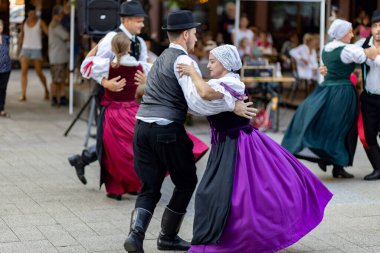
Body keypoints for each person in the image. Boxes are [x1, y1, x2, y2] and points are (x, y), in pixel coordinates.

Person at [176, 44, 333, 253]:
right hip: (225, 144)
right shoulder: (220, 82)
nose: (209, 65)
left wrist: (194, 72)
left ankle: (244, 238)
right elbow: (199, 100)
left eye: (213, 61)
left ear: (225, 64)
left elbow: (204, 93)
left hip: (239, 145)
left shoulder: (231, 83)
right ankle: (227, 238)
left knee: (243, 195)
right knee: (224, 194)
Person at [123, 10, 256, 253]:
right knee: (186, 181)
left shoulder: (162, 57)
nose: (195, 38)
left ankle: (136, 235)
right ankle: (168, 237)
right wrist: (231, 104)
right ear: (185, 34)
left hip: (141, 128)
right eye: (194, 34)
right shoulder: (184, 61)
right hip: (166, 129)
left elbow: (143, 91)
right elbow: (197, 102)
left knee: (150, 186)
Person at [281, 19, 378, 178]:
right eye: (349, 32)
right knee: (344, 128)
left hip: (325, 90)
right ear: (341, 34)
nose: (352, 34)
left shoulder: (326, 48)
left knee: (329, 124)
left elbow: (351, 50)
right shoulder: (347, 50)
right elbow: (364, 56)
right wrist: (370, 50)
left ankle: (334, 163)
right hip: (342, 92)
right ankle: (330, 159)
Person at [68, 0, 148, 184]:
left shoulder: (140, 43)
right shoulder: (111, 38)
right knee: (111, 137)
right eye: (138, 21)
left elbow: (142, 65)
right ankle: (114, 180)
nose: (142, 24)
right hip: (108, 95)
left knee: (120, 138)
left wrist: (142, 81)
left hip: (129, 99)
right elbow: (94, 64)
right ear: (126, 20)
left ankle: (83, 159)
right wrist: (105, 82)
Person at [80, 33, 150, 200]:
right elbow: (158, 73)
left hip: (112, 113)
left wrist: (97, 47)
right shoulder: (139, 65)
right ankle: (136, 184)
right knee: (133, 150)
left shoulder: (105, 65)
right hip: (133, 112)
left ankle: (115, 189)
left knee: (112, 153)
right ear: (129, 48)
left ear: (112, 49)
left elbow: (85, 66)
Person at [354, 10, 380, 180]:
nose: (378, 29)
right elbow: (341, 52)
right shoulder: (362, 44)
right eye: (376, 26)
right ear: (371, 28)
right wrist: (324, 67)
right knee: (369, 135)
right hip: (370, 98)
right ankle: (378, 168)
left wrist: (374, 56)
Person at [18, 4, 49, 101]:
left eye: (33, 12)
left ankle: (46, 90)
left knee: (38, 72)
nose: (32, 14)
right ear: (27, 13)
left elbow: (48, 33)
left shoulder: (40, 22)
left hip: (36, 49)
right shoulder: (24, 23)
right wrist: (19, 49)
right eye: (30, 13)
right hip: (25, 49)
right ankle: (23, 94)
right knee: (24, 71)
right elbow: (21, 36)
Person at [48, 5, 69, 107]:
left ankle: (61, 96)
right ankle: (55, 97)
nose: (62, 16)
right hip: (57, 57)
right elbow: (66, 36)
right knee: (56, 79)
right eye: (61, 14)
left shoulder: (56, 24)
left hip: (59, 56)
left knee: (60, 78)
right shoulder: (55, 25)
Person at [0, 19, 11, 118]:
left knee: (3, 89)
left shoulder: (6, 38)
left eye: (1, 25)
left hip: (5, 68)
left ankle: (1, 109)